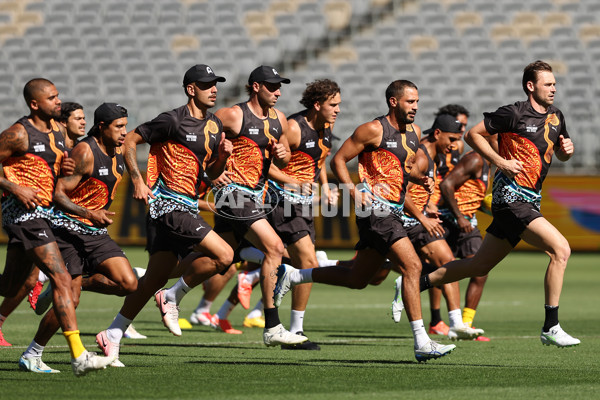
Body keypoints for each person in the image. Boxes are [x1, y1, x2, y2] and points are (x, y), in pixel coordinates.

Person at [273, 80, 457, 361]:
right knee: (413, 266)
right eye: (410, 102)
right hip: (376, 211)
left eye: (417, 102)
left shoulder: (414, 133)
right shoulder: (372, 129)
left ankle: (296, 275)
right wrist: (353, 191)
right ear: (394, 102)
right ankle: (422, 342)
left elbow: (401, 171)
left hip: (394, 209)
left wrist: (419, 178)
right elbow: (338, 160)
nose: (416, 107)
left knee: (359, 279)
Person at [418, 60, 579, 347]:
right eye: (548, 83)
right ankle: (551, 326)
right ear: (531, 86)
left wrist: (567, 151)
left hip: (530, 200)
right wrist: (500, 161)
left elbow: (560, 152)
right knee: (561, 249)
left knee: (477, 265)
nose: (554, 88)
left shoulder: (556, 116)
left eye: (554, 83)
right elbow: (472, 134)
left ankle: (414, 282)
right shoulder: (513, 112)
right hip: (511, 198)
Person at [95, 64, 235, 363]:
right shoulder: (172, 120)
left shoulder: (214, 126)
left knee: (152, 281)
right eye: (206, 84)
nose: (214, 89)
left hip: (186, 204)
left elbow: (210, 172)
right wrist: (137, 179)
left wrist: (222, 157)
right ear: (190, 89)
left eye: (215, 84)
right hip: (168, 206)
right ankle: (174, 295)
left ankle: (113, 334)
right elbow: (131, 140)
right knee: (224, 256)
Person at [0, 78, 114, 375]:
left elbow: (56, 169)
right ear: (35, 104)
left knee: (14, 285)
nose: (58, 101)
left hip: (45, 214)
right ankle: (79, 356)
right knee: (62, 278)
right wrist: (15, 188)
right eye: (51, 98)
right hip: (24, 213)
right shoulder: (18, 133)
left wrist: (63, 168)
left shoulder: (60, 135)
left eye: (58, 96)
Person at [19, 103, 137, 373]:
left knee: (128, 283)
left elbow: (137, 142)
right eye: (118, 126)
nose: (124, 132)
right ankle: (32, 354)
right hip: (67, 230)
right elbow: (58, 194)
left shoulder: (118, 150)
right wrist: (88, 212)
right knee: (70, 301)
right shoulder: (85, 151)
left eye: (125, 126)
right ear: (102, 127)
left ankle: (65, 285)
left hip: (95, 232)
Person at [210, 65, 307, 347]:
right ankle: (272, 325)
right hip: (233, 194)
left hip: (256, 196)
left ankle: (163, 289)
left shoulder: (279, 118)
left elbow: (284, 157)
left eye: (280, 86)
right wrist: (213, 170)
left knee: (216, 259)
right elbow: (203, 140)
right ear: (255, 86)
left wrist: (283, 153)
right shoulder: (233, 114)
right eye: (272, 86)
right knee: (275, 248)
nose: (278, 91)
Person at [390, 114, 483, 341]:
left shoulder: (434, 157)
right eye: (451, 139)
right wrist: (423, 217)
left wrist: (428, 204)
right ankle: (303, 273)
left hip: (416, 221)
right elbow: (401, 192)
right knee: (360, 276)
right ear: (438, 134)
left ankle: (456, 324)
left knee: (447, 263)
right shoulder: (421, 157)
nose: (454, 146)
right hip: (400, 222)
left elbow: (416, 193)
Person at [266, 78, 340, 350]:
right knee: (308, 262)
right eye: (333, 105)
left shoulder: (327, 126)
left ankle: (295, 331)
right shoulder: (294, 129)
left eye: (339, 104)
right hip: (282, 201)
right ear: (317, 105)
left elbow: (318, 158)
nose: (338, 110)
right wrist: (293, 181)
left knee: (302, 265)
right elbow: (267, 168)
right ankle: (293, 331)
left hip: (304, 204)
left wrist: (324, 187)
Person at [439, 136, 496, 340]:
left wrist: (487, 207)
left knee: (480, 270)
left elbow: (469, 194)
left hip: (467, 223)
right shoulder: (476, 159)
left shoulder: (490, 165)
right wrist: (459, 216)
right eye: (500, 139)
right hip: (448, 221)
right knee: (438, 270)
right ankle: (436, 320)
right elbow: (446, 185)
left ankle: (465, 325)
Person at [425, 104, 468, 335]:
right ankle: (317, 267)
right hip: (425, 212)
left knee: (443, 263)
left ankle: (446, 321)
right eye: (458, 126)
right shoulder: (425, 150)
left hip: (437, 211)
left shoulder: (455, 147)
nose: (460, 133)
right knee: (367, 276)